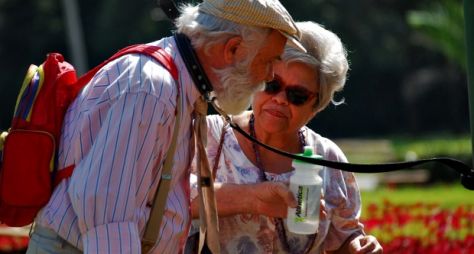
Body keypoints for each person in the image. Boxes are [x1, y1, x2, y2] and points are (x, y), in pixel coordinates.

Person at [26, 0, 303, 253]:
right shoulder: (152, 89)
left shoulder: (176, 82)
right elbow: (108, 212)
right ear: (231, 49)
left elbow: (149, 186)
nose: (268, 76)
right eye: (267, 62)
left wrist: (252, 197)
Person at [188, 21, 383, 254]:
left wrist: (358, 246)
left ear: (316, 106)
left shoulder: (328, 157)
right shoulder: (208, 136)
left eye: (297, 95)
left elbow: (343, 237)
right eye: (272, 84)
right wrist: (252, 198)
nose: (280, 99)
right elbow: (169, 198)